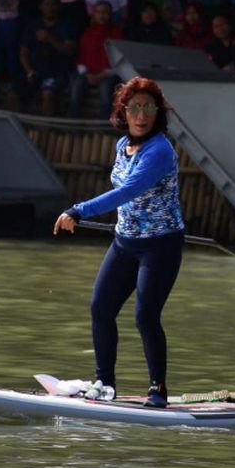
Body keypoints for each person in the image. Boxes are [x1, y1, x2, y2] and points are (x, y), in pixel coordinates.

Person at [53, 76, 186, 408]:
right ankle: (105, 383)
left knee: (145, 316)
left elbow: (127, 191)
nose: (142, 115)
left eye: (149, 108)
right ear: (123, 112)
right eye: (135, 108)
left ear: (158, 113)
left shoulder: (159, 150)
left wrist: (78, 210)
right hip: (125, 242)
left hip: (160, 245)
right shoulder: (123, 146)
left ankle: (158, 389)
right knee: (100, 308)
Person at [15, 0, 77, 116]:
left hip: (57, 73)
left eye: (53, 4)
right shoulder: (33, 25)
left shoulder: (67, 26)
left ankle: (45, 132)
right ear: (40, 7)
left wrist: (49, 38)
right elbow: (23, 51)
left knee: (47, 94)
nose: (50, 8)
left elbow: (69, 50)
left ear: (59, 7)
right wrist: (29, 70)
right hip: (34, 72)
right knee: (13, 92)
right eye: (46, 4)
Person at [68, 0, 123, 118]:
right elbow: (81, 56)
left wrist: (100, 75)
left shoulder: (116, 33)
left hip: (107, 74)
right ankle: (73, 127)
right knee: (75, 91)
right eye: (98, 12)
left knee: (105, 95)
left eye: (105, 12)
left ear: (110, 14)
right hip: (87, 73)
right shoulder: (88, 32)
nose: (101, 15)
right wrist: (87, 74)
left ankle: (103, 130)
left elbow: (118, 60)